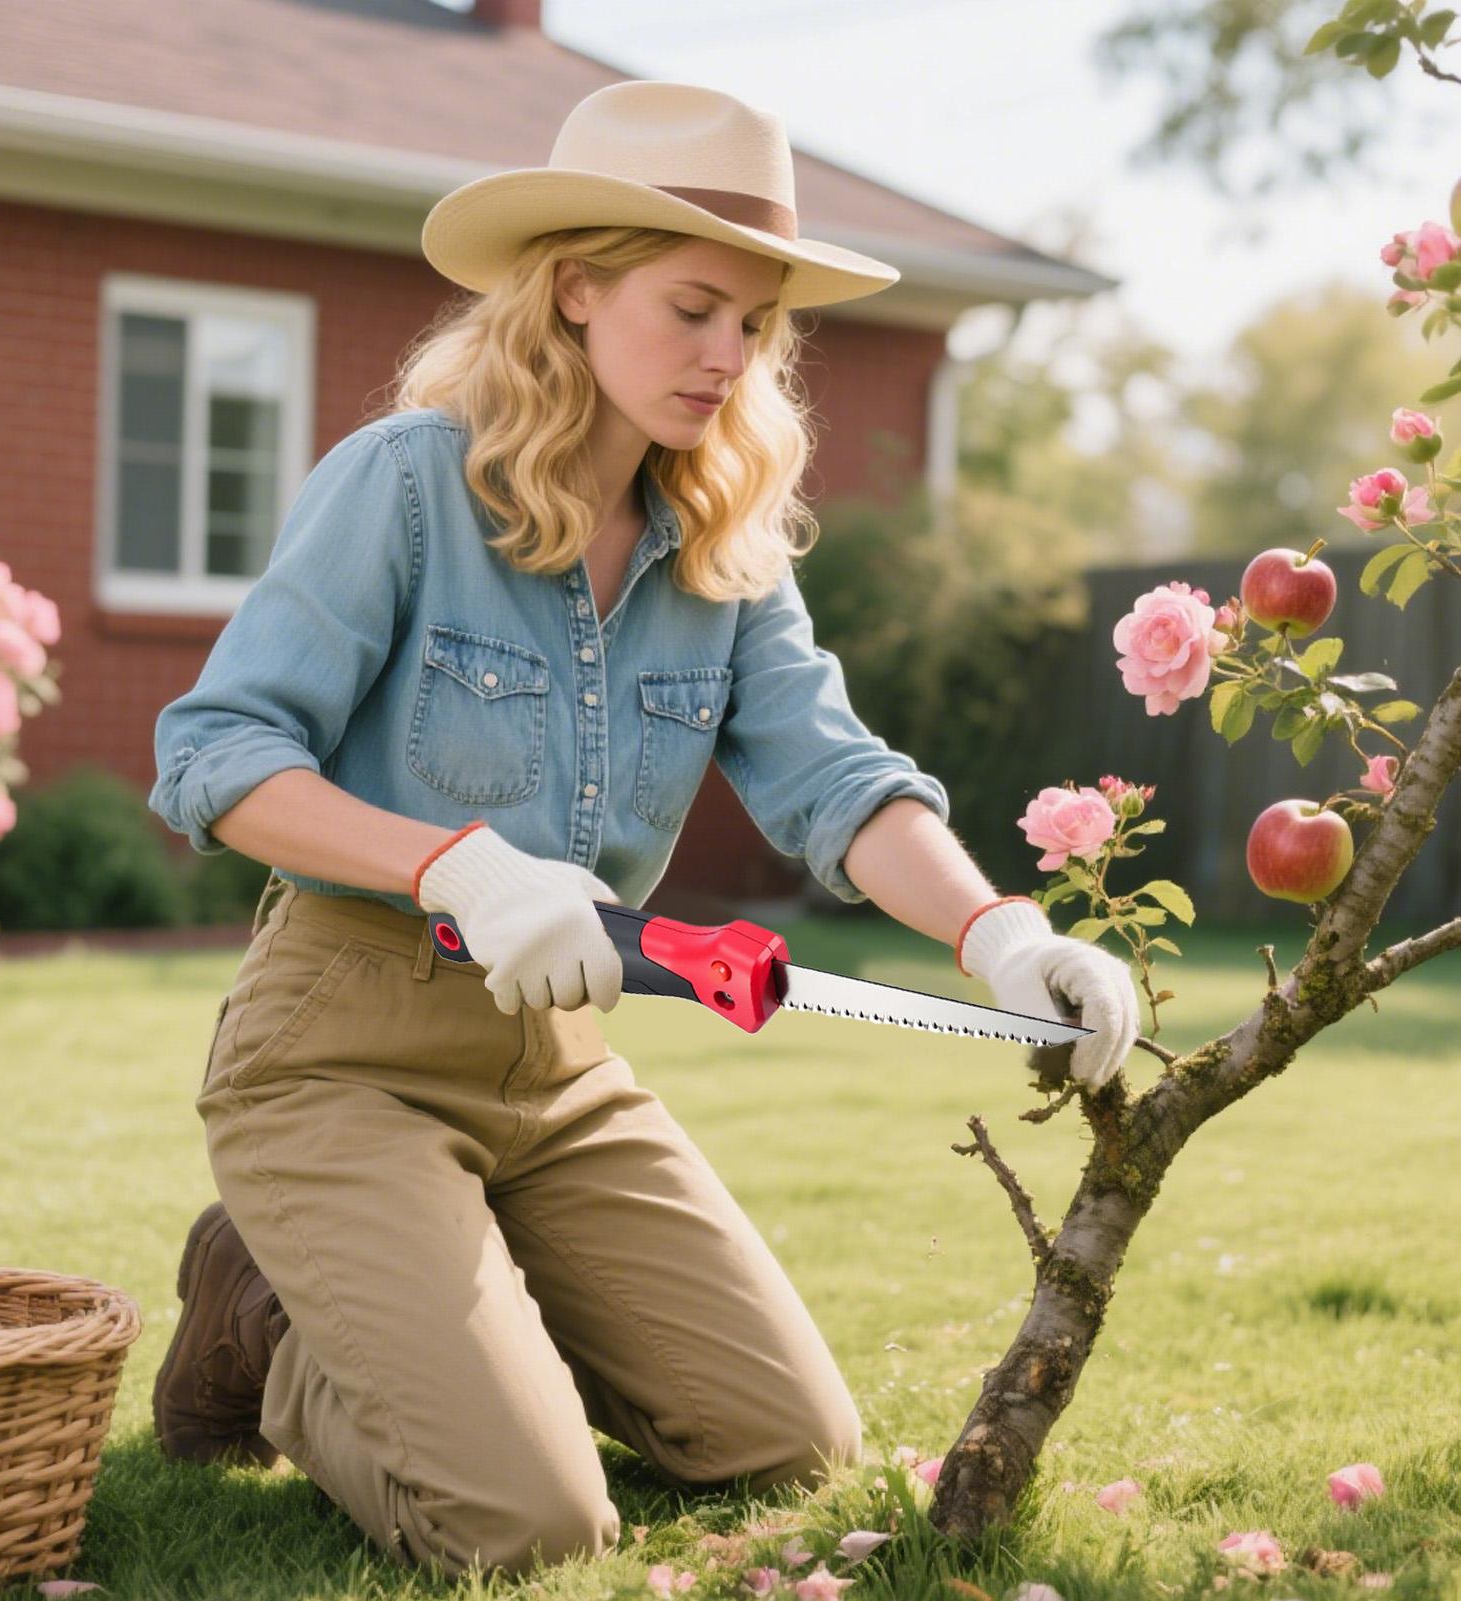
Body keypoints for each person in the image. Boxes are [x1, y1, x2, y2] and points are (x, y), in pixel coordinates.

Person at [144, 79, 1140, 1582]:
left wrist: (998, 932)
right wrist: (452, 863)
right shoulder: (405, 486)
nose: (728, 356)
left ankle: (447, 1330)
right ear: (574, 289)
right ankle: (269, 1322)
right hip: (340, 1049)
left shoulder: (723, 548)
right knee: (529, 1525)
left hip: (555, 1065)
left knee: (789, 1444)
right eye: (691, 310)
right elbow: (213, 755)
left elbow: (834, 776)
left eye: (754, 323)